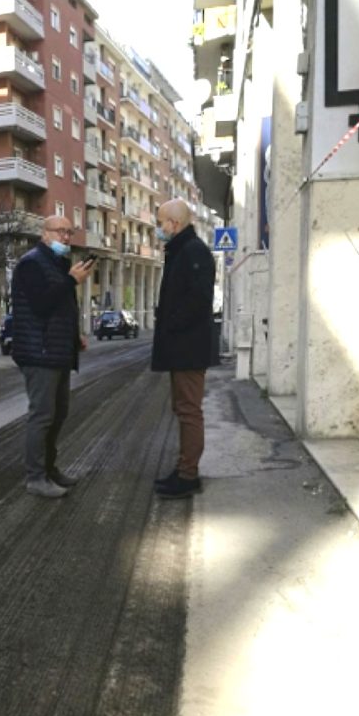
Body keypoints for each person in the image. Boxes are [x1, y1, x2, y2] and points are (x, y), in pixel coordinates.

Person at [11, 216, 94, 498]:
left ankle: (49, 469)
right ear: (44, 234)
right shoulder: (31, 263)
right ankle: (36, 477)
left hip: (57, 350)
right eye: (61, 231)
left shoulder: (57, 263)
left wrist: (75, 337)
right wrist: (71, 280)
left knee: (58, 414)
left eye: (69, 232)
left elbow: (63, 309)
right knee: (42, 415)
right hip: (39, 352)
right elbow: (42, 305)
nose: (67, 237)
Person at [151, 198, 216, 499]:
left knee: (189, 411)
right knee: (183, 409)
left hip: (188, 348)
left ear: (173, 224)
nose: (158, 227)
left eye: (160, 221)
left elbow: (197, 300)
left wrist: (170, 322)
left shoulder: (192, 252)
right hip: (183, 346)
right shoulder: (182, 250)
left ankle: (188, 474)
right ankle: (184, 469)